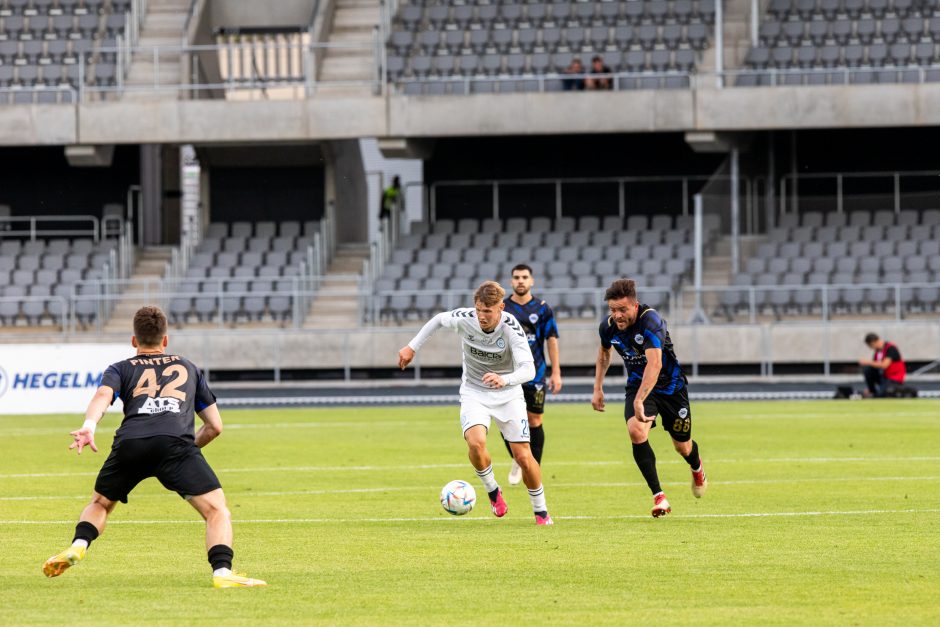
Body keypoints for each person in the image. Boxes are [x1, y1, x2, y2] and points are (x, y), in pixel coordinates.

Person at [42, 306, 266, 588]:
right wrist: (182, 453)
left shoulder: (120, 368)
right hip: (176, 445)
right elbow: (214, 426)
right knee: (216, 510)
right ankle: (222, 573)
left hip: (130, 443)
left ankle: (78, 545)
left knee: (100, 503)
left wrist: (89, 426)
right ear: (166, 339)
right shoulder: (188, 367)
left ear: (134, 340)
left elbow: (103, 394)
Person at [398, 281, 553, 525]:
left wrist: (505, 379)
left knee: (523, 456)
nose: (482, 316)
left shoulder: (511, 328)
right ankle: (493, 491)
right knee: (476, 443)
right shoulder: (465, 318)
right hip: (474, 391)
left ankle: (541, 511)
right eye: (479, 309)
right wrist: (412, 347)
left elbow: (528, 369)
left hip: (509, 394)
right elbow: (438, 319)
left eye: (487, 311)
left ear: (501, 307)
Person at [591, 278, 707, 517]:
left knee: (682, 447)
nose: (618, 315)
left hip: (671, 387)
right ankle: (659, 497)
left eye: (623, 310)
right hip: (638, 385)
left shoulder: (651, 321)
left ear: (635, 305)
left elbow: (654, 364)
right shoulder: (608, 327)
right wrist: (598, 387)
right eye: (613, 310)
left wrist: (638, 400)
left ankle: (696, 467)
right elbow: (604, 354)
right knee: (636, 431)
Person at [501, 264, 561, 486]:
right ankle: (519, 459)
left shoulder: (543, 309)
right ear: (511, 281)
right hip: (507, 373)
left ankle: (533, 467)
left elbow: (551, 340)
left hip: (535, 374)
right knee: (505, 421)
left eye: (524, 277)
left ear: (532, 281)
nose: (520, 281)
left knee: (535, 420)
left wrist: (556, 372)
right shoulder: (503, 307)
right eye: (516, 277)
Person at [859, 332, 906, 398]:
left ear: (873, 342)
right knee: (868, 369)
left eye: (870, 346)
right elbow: (874, 366)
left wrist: (868, 362)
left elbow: (884, 365)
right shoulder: (877, 352)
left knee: (882, 395)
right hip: (884, 377)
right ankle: (872, 390)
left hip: (893, 378)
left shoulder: (891, 348)